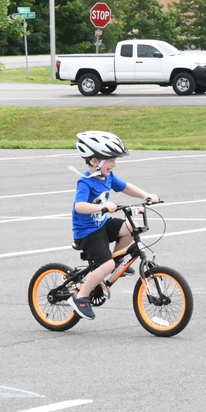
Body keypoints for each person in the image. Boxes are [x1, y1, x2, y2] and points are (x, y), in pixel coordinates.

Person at [70, 131, 159, 320]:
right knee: (106, 265)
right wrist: (102, 207)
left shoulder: (108, 177)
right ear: (95, 161)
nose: (114, 164)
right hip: (87, 232)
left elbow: (126, 187)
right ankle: (81, 296)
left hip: (101, 225)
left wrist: (146, 195)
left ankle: (116, 262)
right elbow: (79, 206)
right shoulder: (85, 182)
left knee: (131, 226)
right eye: (110, 160)